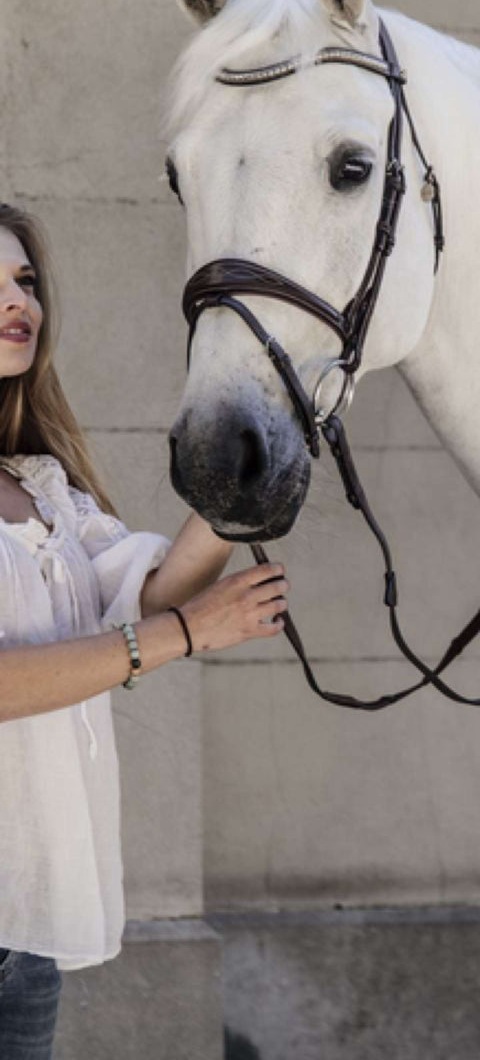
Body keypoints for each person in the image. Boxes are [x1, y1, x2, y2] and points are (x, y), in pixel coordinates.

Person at [0, 202, 289, 1058]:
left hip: (25, 922)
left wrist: (252, 461)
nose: (20, 300)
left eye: (24, 280)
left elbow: (150, 590)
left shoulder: (41, 488)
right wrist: (187, 636)